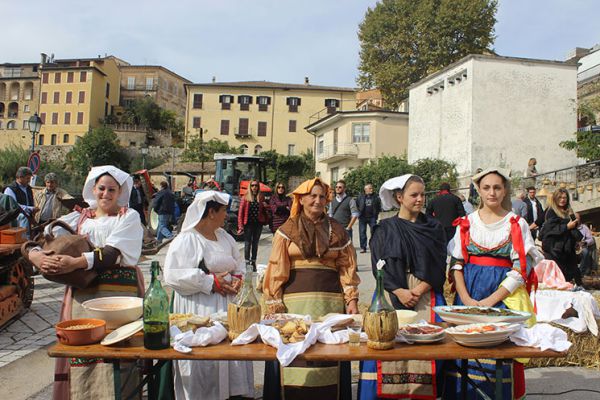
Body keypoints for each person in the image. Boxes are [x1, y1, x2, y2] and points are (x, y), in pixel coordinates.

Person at [26, 165, 144, 400]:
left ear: (120, 192)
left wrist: (75, 262)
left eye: (112, 189)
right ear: (93, 188)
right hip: (83, 294)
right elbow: (41, 237)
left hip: (120, 292)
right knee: (85, 352)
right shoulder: (79, 217)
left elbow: (111, 254)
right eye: (102, 188)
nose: (106, 194)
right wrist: (34, 255)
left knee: (120, 352)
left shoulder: (128, 216)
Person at [444, 168, 540, 400]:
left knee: (497, 352)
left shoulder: (516, 223)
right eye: (486, 187)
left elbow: (520, 270)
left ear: (505, 189)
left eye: (497, 187)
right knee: (464, 350)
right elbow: (456, 263)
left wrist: (490, 301)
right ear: (478, 190)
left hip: (501, 296)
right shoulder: (467, 222)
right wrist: (466, 299)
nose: (492, 192)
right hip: (468, 293)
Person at [263, 177, 360, 400]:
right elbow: (277, 268)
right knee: (296, 352)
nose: (318, 201)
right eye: (312, 196)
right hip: (295, 304)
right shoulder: (287, 230)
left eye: (321, 196)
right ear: (302, 199)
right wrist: (274, 302)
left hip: (331, 305)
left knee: (329, 354)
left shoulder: (337, 229)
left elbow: (347, 267)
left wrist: (351, 299)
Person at [358, 175, 447, 400]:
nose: (420, 199)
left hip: (426, 295)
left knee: (426, 348)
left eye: (422, 194)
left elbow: (439, 265)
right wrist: (399, 291)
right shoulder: (384, 229)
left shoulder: (434, 228)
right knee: (391, 345)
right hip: (391, 293)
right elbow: (378, 266)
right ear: (399, 197)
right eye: (414, 195)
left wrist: (418, 291)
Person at [164, 191, 254, 400]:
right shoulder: (187, 240)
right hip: (199, 309)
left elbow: (238, 263)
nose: (226, 215)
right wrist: (210, 282)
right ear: (211, 212)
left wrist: (239, 279)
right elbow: (173, 275)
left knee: (230, 364)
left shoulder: (225, 237)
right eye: (223, 211)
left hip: (227, 308)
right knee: (204, 367)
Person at [540, 189, 583, 286]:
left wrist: (576, 240)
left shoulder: (568, 211)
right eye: (560, 197)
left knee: (573, 272)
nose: (563, 200)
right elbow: (550, 231)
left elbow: (575, 226)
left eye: (565, 197)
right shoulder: (551, 212)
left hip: (568, 248)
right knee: (559, 276)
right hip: (555, 249)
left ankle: (577, 288)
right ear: (555, 198)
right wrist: (567, 226)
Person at [238, 180, 268, 266]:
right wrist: (240, 226)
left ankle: (253, 261)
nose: (254, 187)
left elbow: (265, 210)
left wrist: (266, 207)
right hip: (248, 224)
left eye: (256, 186)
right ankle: (247, 262)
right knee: (247, 243)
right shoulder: (245, 197)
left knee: (255, 243)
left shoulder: (261, 197)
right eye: (252, 186)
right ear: (250, 187)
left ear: (258, 187)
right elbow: (240, 212)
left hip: (258, 224)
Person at [3, 166, 38, 235]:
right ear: (20, 177)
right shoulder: (10, 189)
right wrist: (31, 209)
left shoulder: (28, 189)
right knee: (23, 218)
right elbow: (14, 206)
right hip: (14, 218)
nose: (29, 181)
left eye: (30, 179)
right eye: (27, 178)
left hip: (28, 217)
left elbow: (30, 202)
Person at [357, 183, 382, 253]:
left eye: (372, 188)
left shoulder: (376, 197)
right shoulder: (360, 197)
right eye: (370, 188)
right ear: (365, 190)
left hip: (372, 217)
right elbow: (357, 205)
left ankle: (373, 247)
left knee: (374, 232)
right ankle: (363, 247)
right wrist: (359, 213)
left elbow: (378, 206)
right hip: (362, 217)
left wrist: (376, 214)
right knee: (362, 233)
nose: (372, 189)